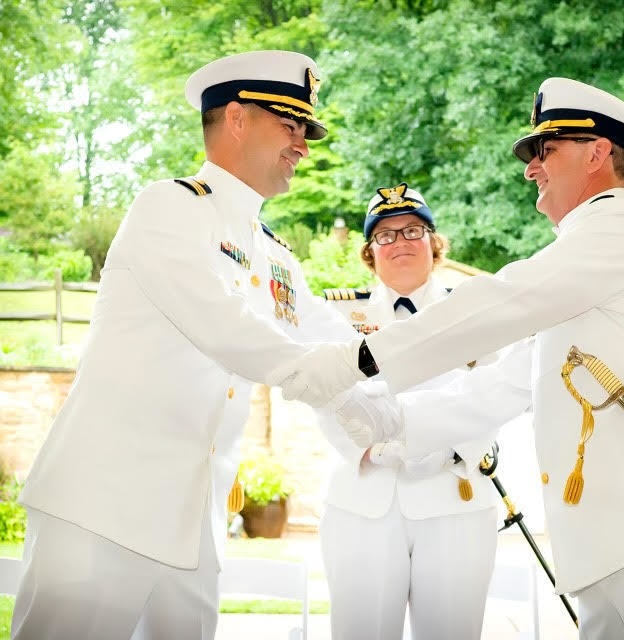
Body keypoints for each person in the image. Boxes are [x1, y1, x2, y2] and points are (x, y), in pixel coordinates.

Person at [276, 77, 624, 639]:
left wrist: (354, 360)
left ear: (599, 153)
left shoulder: (622, 225)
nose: (531, 167)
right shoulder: (582, 261)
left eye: (545, 150)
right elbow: (510, 381)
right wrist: (395, 421)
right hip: (617, 539)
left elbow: (504, 300)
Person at [10, 50, 365, 640]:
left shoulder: (273, 253)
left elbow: (335, 335)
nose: (303, 144)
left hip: (193, 525)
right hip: (105, 510)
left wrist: (414, 364)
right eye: (290, 124)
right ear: (235, 119)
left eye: (306, 130)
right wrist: (332, 373)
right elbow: (225, 327)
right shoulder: (169, 206)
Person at [317, 183, 532, 640]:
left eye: (412, 230)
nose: (400, 242)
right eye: (385, 235)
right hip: (365, 498)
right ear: (370, 252)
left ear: (434, 243)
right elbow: (324, 394)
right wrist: (370, 451)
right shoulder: (338, 316)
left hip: (454, 494)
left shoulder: (474, 307)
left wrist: (455, 447)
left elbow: (502, 387)